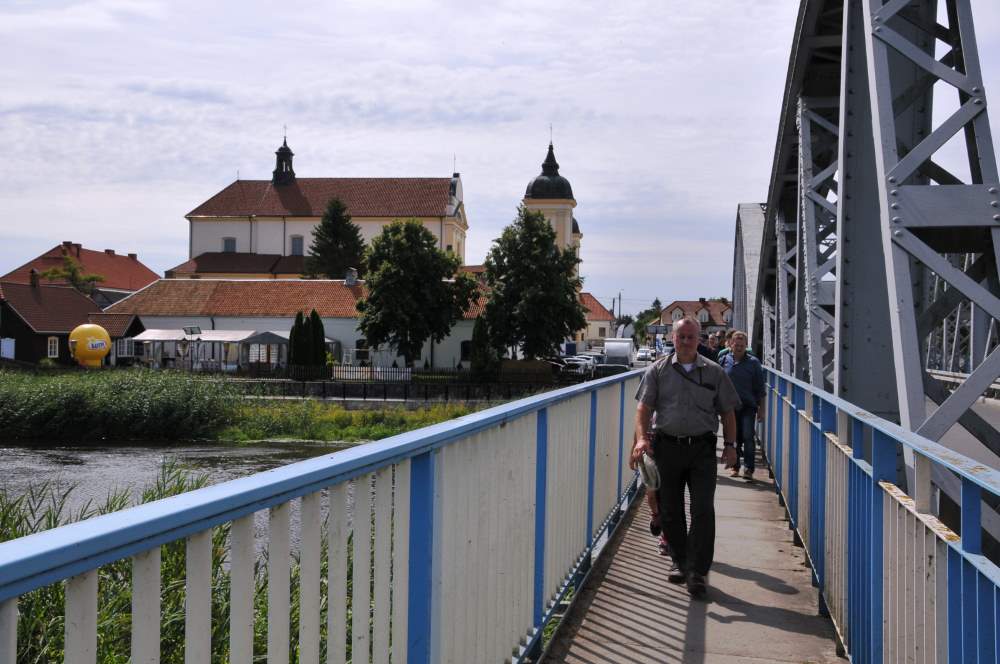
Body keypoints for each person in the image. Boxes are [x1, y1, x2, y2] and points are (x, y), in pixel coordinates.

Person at [630, 316, 741, 598]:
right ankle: (680, 563)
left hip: (702, 448)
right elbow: (643, 409)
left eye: (691, 337)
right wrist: (641, 439)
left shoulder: (715, 372)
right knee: (670, 509)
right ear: (673, 338)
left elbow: (728, 412)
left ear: (699, 339)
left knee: (702, 508)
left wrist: (730, 445)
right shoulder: (657, 371)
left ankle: (697, 571)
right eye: (681, 336)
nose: (686, 341)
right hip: (667, 446)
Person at [718, 331, 766, 480]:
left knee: (747, 436)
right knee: (733, 438)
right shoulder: (724, 360)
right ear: (731, 344)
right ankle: (735, 466)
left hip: (748, 406)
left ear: (746, 345)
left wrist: (762, 409)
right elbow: (717, 383)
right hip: (729, 407)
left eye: (742, 345)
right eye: (736, 345)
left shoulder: (754, 363)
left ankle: (749, 469)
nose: (739, 347)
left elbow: (761, 388)